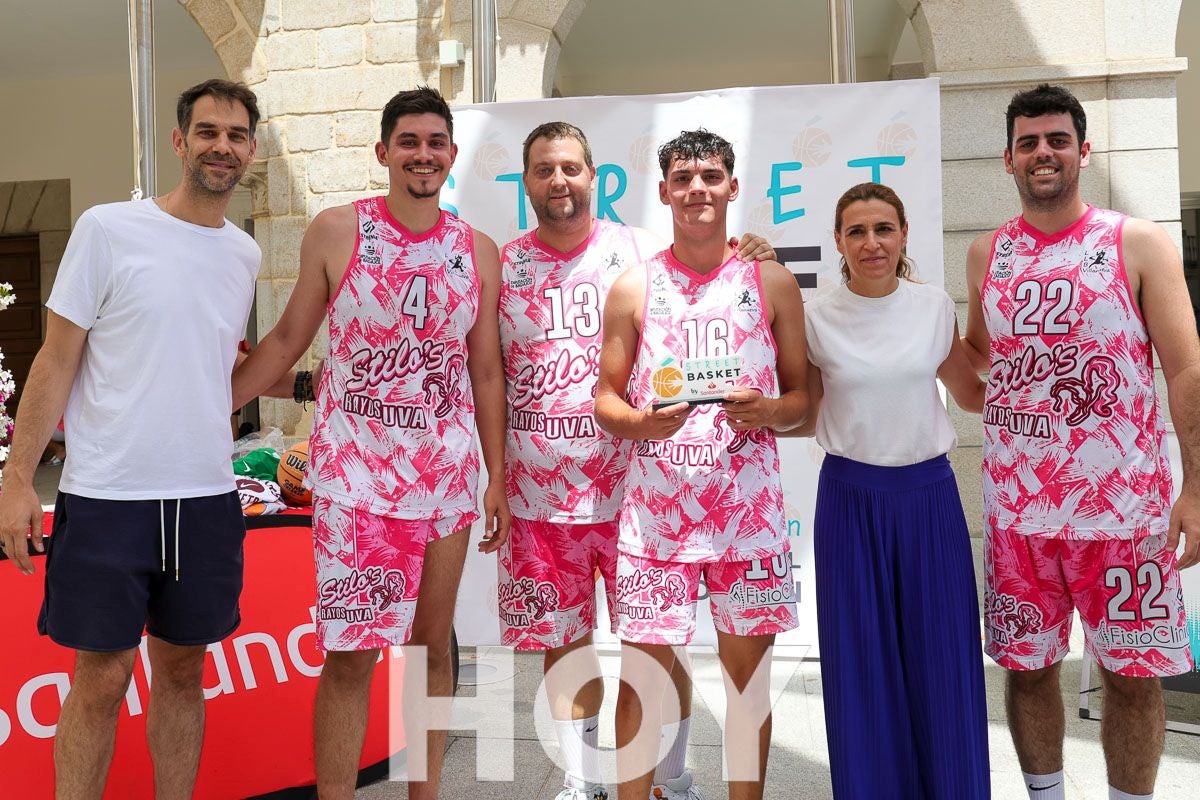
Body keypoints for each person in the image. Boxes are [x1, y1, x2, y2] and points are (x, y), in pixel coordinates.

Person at [231, 86, 509, 800]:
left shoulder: (475, 250)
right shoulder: (336, 230)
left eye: (436, 142)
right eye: (409, 142)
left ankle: (425, 794)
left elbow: (484, 369)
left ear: (451, 154)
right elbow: (289, 340)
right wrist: (209, 406)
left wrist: (497, 475)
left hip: (445, 479)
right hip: (356, 480)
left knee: (431, 649)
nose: (423, 154)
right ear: (384, 153)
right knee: (353, 656)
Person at [0, 79, 261, 798]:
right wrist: (18, 478)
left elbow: (207, 359)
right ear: (179, 142)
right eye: (207, 132)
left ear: (251, 151)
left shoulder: (242, 257)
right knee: (102, 679)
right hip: (108, 496)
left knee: (183, 672)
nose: (222, 146)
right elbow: (55, 359)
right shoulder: (108, 229)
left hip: (206, 496)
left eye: (236, 135)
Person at [499, 121, 774, 800]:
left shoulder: (639, 249)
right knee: (561, 644)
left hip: (636, 494)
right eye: (543, 169)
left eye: (570, 166)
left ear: (595, 177)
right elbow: (484, 372)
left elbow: (711, 261)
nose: (558, 180)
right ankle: (586, 775)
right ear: (526, 181)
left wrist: (755, 252)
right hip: (538, 494)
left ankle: (671, 777)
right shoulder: (503, 267)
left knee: (656, 647)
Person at [963, 83, 1199, 800]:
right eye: (1029, 142)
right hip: (1019, 517)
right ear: (1007, 159)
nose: (1044, 153)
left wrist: (1196, 487)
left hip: (1125, 517)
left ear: (1083, 151)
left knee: (1133, 676)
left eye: (1058, 139)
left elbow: (1186, 367)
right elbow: (977, 357)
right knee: (1028, 669)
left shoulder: (1137, 241)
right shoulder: (986, 254)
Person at [595, 129, 808, 800]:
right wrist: (642, 422)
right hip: (657, 523)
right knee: (640, 685)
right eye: (683, 178)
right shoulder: (633, 287)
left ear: (733, 186)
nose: (697, 189)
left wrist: (770, 411)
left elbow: (805, 397)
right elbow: (603, 399)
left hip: (749, 522)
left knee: (747, 689)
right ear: (663, 192)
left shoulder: (769, 280)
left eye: (711, 176)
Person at [794, 182, 990, 798]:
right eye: (857, 231)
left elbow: (970, 392)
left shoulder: (932, 306)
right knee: (860, 662)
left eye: (883, 229)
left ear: (904, 234)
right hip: (849, 500)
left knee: (944, 654)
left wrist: (1053, 377)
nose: (871, 242)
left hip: (928, 498)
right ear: (838, 243)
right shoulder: (814, 316)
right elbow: (802, 410)